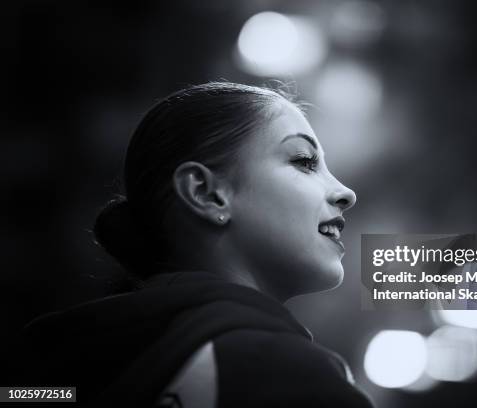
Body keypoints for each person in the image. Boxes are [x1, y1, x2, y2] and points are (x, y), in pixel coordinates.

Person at [18, 82, 374, 407]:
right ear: (206, 193)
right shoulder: (282, 374)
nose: (346, 193)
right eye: (304, 161)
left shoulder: (41, 374)